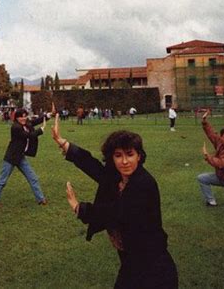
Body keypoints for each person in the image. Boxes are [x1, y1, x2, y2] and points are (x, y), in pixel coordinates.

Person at [51, 114, 178, 288]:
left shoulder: (143, 183)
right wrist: (63, 142)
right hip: (131, 259)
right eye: (118, 155)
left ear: (139, 156)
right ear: (112, 158)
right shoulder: (117, 177)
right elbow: (93, 166)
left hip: (153, 266)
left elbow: (116, 213)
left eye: (130, 154)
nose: (124, 161)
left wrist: (79, 208)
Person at [0, 108, 52, 207]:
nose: (24, 118)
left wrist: (48, 116)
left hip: (21, 157)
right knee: (2, 180)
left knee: (33, 178)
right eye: (21, 117)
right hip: (11, 157)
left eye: (25, 116)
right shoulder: (15, 127)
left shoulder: (26, 124)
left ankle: (41, 199)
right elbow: (28, 135)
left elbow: (35, 121)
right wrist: (40, 130)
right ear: (17, 118)